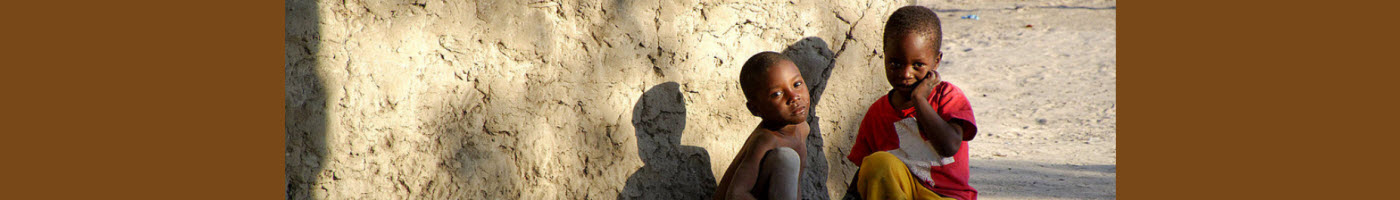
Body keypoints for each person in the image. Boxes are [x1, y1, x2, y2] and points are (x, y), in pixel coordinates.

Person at [846, 5, 980, 200]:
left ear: (936, 61)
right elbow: (866, 171)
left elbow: (949, 146)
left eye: (917, 65)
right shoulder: (877, 113)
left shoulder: (948, 97)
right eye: (895, 64)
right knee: (878, 162)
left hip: (945, 197)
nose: (906, 74)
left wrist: (919, 100)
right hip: (902, 194)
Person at [715, 52, 812, 200]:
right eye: (777, 94)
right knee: (786, 158)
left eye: (797, 84)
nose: (793, 96)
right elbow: (736, 194)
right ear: (755, 109)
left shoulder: (803, 129)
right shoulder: (766, 140)